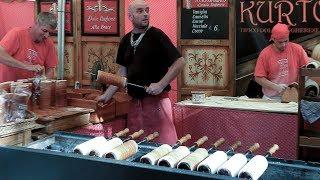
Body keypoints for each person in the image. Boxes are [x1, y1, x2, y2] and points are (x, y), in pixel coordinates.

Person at [97, 0, 185, 144]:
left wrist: (161, 84)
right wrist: (107, 95)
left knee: (163, 150)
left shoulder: (157, 35)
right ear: (130, 17)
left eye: (147, 10)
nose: (145, 14)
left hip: (157, 105)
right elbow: (122, 72)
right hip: (135, 106)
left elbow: (180, 62)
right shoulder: (126, 40)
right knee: (136, 148)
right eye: (140, 11)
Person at [254, 23, 309, 100]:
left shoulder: (297, 49)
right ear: (273, 39)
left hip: (294, 96)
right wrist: (276, 87)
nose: (284, 45)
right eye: (280, 42)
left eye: (286, 41)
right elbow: (258, 78)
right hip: (272, 98)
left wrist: (297, 84)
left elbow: (307, 70)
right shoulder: (265, 53)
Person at [0, 12, 58, 82]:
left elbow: (50, 69)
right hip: (7, 87)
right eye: (44, 30)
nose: (46, 36)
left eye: (50, 33)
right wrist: (26, 66)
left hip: (30, 89)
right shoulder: (17, 33)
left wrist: (45, 85)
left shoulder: (49, 43)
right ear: (36, 24)